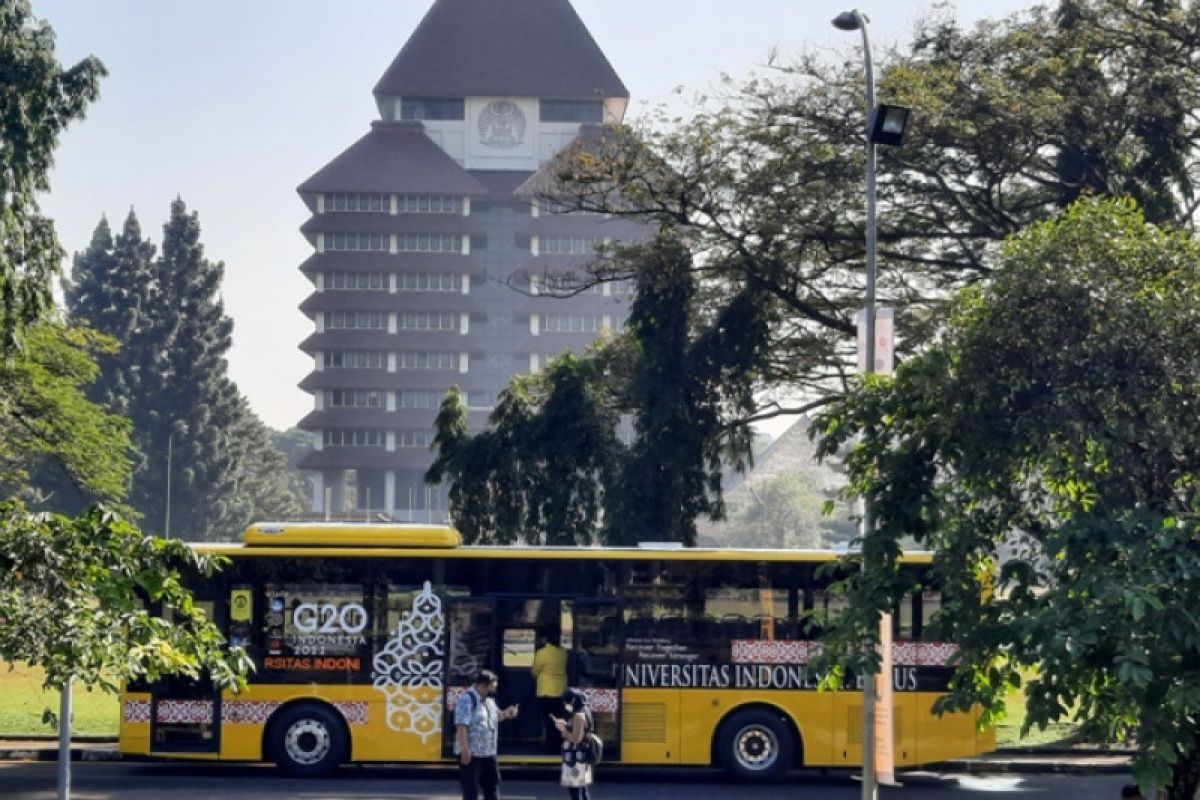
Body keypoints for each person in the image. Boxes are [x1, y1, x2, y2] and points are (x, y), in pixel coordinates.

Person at [454, 669, 519, 800]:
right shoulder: (467, 699)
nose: (494, 689)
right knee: (471, 791)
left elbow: (495, 718)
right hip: (473, 755)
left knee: (492, 788)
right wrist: (465, 750)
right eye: (493, 686)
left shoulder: (489, 701)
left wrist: (507, 714)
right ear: (484, 685)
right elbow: (461, 726)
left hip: (488, 753)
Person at [553, 687, 594, 800]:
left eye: (567, 702)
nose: (566, 705)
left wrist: (563, 730)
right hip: (581, 757)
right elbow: (578, 730)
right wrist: (566, 724)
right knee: (583, 789)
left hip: (576, 760)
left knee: (576, 792)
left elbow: (576, 738)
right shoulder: (584, 710)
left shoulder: (578, 716)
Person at [532, 629, 568, 752]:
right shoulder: (563, 652)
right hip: (561, 690)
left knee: (548, 719)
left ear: (545, 640)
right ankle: (559, 742)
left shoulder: (542, 653)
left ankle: (550, 745)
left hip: (546, 690)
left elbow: (535, 671)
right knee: (559, 717)